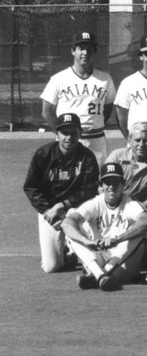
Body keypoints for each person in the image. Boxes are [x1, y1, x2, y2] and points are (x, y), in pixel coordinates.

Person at [23, 113, 99, 273]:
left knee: (95, 259)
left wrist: (63, 205)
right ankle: (65, 251)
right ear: (57, 134)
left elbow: (90, 189)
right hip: (49, 211)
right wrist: (47, 211)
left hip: (76, 209)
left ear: (80, 133)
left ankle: (78, 249)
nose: (69, 137)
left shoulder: (87, 157)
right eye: (65, 133)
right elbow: (31, 187)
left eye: (73, 133)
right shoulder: (43, 155)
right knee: (51, 267)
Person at [60, 161, 147, 290]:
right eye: (107, 182)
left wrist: (117, 239)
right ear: (101, 185)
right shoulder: (96, 202)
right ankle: (101, 277)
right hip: (99, 255)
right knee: (72, 234)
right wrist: (86, 242)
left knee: (138, 235)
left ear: (123, 184)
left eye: (116, 182)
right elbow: (67, 223)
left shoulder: (131, 203)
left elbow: (146, 222)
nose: (111, 186)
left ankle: (96, 276)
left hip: (123, 258)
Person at [41, 31, 116, 164]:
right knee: (67, 180)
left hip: (96, 139)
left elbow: (108, 107)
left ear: (94, 52)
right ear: (73, 51)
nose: (85, 53)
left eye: (89, 49)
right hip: (68, 140)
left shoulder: (105, 79)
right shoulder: (59, 79)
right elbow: (47, 112)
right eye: (81, 48)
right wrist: (62, 134)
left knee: (97, 180)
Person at [105, 122, 147, 218]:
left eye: (146, 140)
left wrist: (137, 209)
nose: (141, 144)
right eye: (137, 140)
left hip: (145, 208)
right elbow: (103, 186)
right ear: (129, 140)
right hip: (115, 205)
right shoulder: (116, 157)